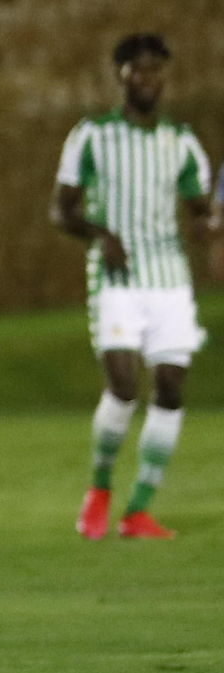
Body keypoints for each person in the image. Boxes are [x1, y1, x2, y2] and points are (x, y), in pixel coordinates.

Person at [52, 33, 222, 540]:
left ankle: (138, 509)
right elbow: (61, 209)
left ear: (165, 76)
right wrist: (100, 234)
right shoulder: (92, 135)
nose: (147, 79)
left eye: (156, 70)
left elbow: (199, 212)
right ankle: (100, 488)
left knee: (169, 386)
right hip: (117, 278)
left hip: (169, 280)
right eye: (137, 70)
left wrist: (211, 229)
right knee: (124, 386)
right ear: (120, 75)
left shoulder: (182, 143)